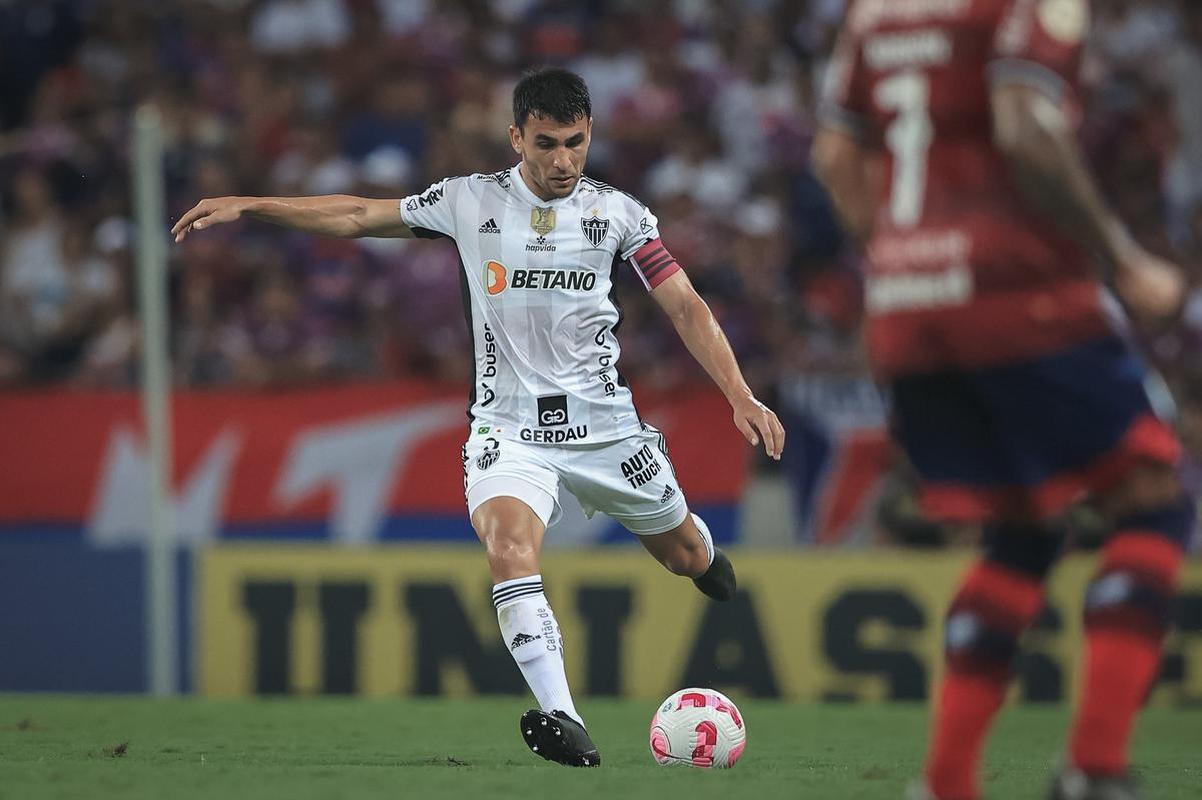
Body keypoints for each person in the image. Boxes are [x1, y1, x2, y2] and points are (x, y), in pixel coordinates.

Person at [173, 66, 784, 768]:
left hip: (607, 429)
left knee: (684, 557)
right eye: (547, 143)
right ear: (516, 136)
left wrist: (739, 393)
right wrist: (251, 205)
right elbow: (356, 215)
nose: (562, 161)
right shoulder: (468, 201)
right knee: (508, 548)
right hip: (509, 429)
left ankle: (703, 553)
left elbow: (685, 305)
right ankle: (565, 717)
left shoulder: (619, 213)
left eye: (576, 144)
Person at [811, 2, 1191, 799]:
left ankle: (946, 782)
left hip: (907, 305)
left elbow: (836, 156)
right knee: (1151, 500)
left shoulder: (874, 12)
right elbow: (1024, 126)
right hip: (1019, 289)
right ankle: (1095, 767)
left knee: (1022, 531)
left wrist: (902, 265)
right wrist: (1122, 258)